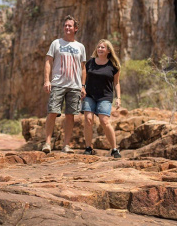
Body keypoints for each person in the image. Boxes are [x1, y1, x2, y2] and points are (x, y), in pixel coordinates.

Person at [42, 15, 86, 154]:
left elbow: (83, 68)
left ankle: (66, 145)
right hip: (58, 84)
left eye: (70, 26)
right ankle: (47, 143)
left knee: (70, 115)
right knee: (52, 112)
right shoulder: (56, 43)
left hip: (74, 85)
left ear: (75, 29)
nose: (67, 28)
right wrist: (47, 80)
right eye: (65, 25)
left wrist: (83, 86)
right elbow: (48, 62)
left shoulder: (80, 47)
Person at [81, 39, 122, 158]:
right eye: (98, 47)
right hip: (90, 95)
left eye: (102, 47)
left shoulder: (114, 66)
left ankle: (114, 149)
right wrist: (82, 87)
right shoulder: (90, 62)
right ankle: (88, 148)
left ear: (108, 51)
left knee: (104, 121)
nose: (99, 49)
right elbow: (84, 75)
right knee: (88, 119)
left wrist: (118, 98)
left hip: (105, 97)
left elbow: (117, 83)